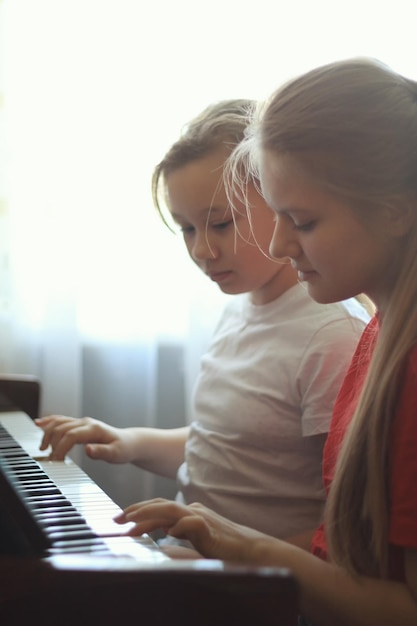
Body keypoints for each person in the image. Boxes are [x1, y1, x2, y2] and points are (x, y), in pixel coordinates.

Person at [111, 59, 417, 625]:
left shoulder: (355, 344)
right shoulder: (380, 336)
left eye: (299, 221)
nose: (278, 244)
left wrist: (245, 550)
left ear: (395, 211)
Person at [36, 99, 369, 553]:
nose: (202, 251)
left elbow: (347, 531)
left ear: (281, 198)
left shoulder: (331, 336)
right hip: (197, 556)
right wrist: (128, 441)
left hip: (258, 583)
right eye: (187, 229)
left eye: (220, 223)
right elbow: (233, 450)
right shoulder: (240, 310)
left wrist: (221, 552)